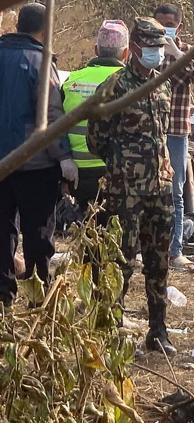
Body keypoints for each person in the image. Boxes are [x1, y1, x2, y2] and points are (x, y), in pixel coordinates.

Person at [87, 17, 176, 354]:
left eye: (160, 47)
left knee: (159, 262)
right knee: (121, 261)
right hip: (126, 191)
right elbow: (97, 138)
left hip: (160, 187)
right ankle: (112, 330)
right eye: (151, 47)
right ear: (135, 48)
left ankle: (158, 331)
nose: (157, 54)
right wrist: (121, 165)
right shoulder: (115, 86)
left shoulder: (163, 83)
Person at [0, 3, 78, 308]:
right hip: (34, 165)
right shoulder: (40, 61)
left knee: (2, 232)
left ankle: (3, 297)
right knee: (38, 233)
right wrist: (65, 158)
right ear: (45, 29)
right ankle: (38, 295)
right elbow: (51, 114)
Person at [154, 3, 194, 269]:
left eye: (169, 23)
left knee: (175, 190)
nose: (164, 28)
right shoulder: (145, 51)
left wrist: (176, 53)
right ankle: (148, 248)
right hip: (149, 130)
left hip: (175, 131)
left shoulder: (188, 51)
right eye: (160, 23)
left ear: (179, 26)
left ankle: (175, 251)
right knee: (147, 189)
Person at [62, 20, 129, 211]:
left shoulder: (71, 80)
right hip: (114, 172)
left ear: (96, 49)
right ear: (126, 53)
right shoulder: (129, 83)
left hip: (75, 172)